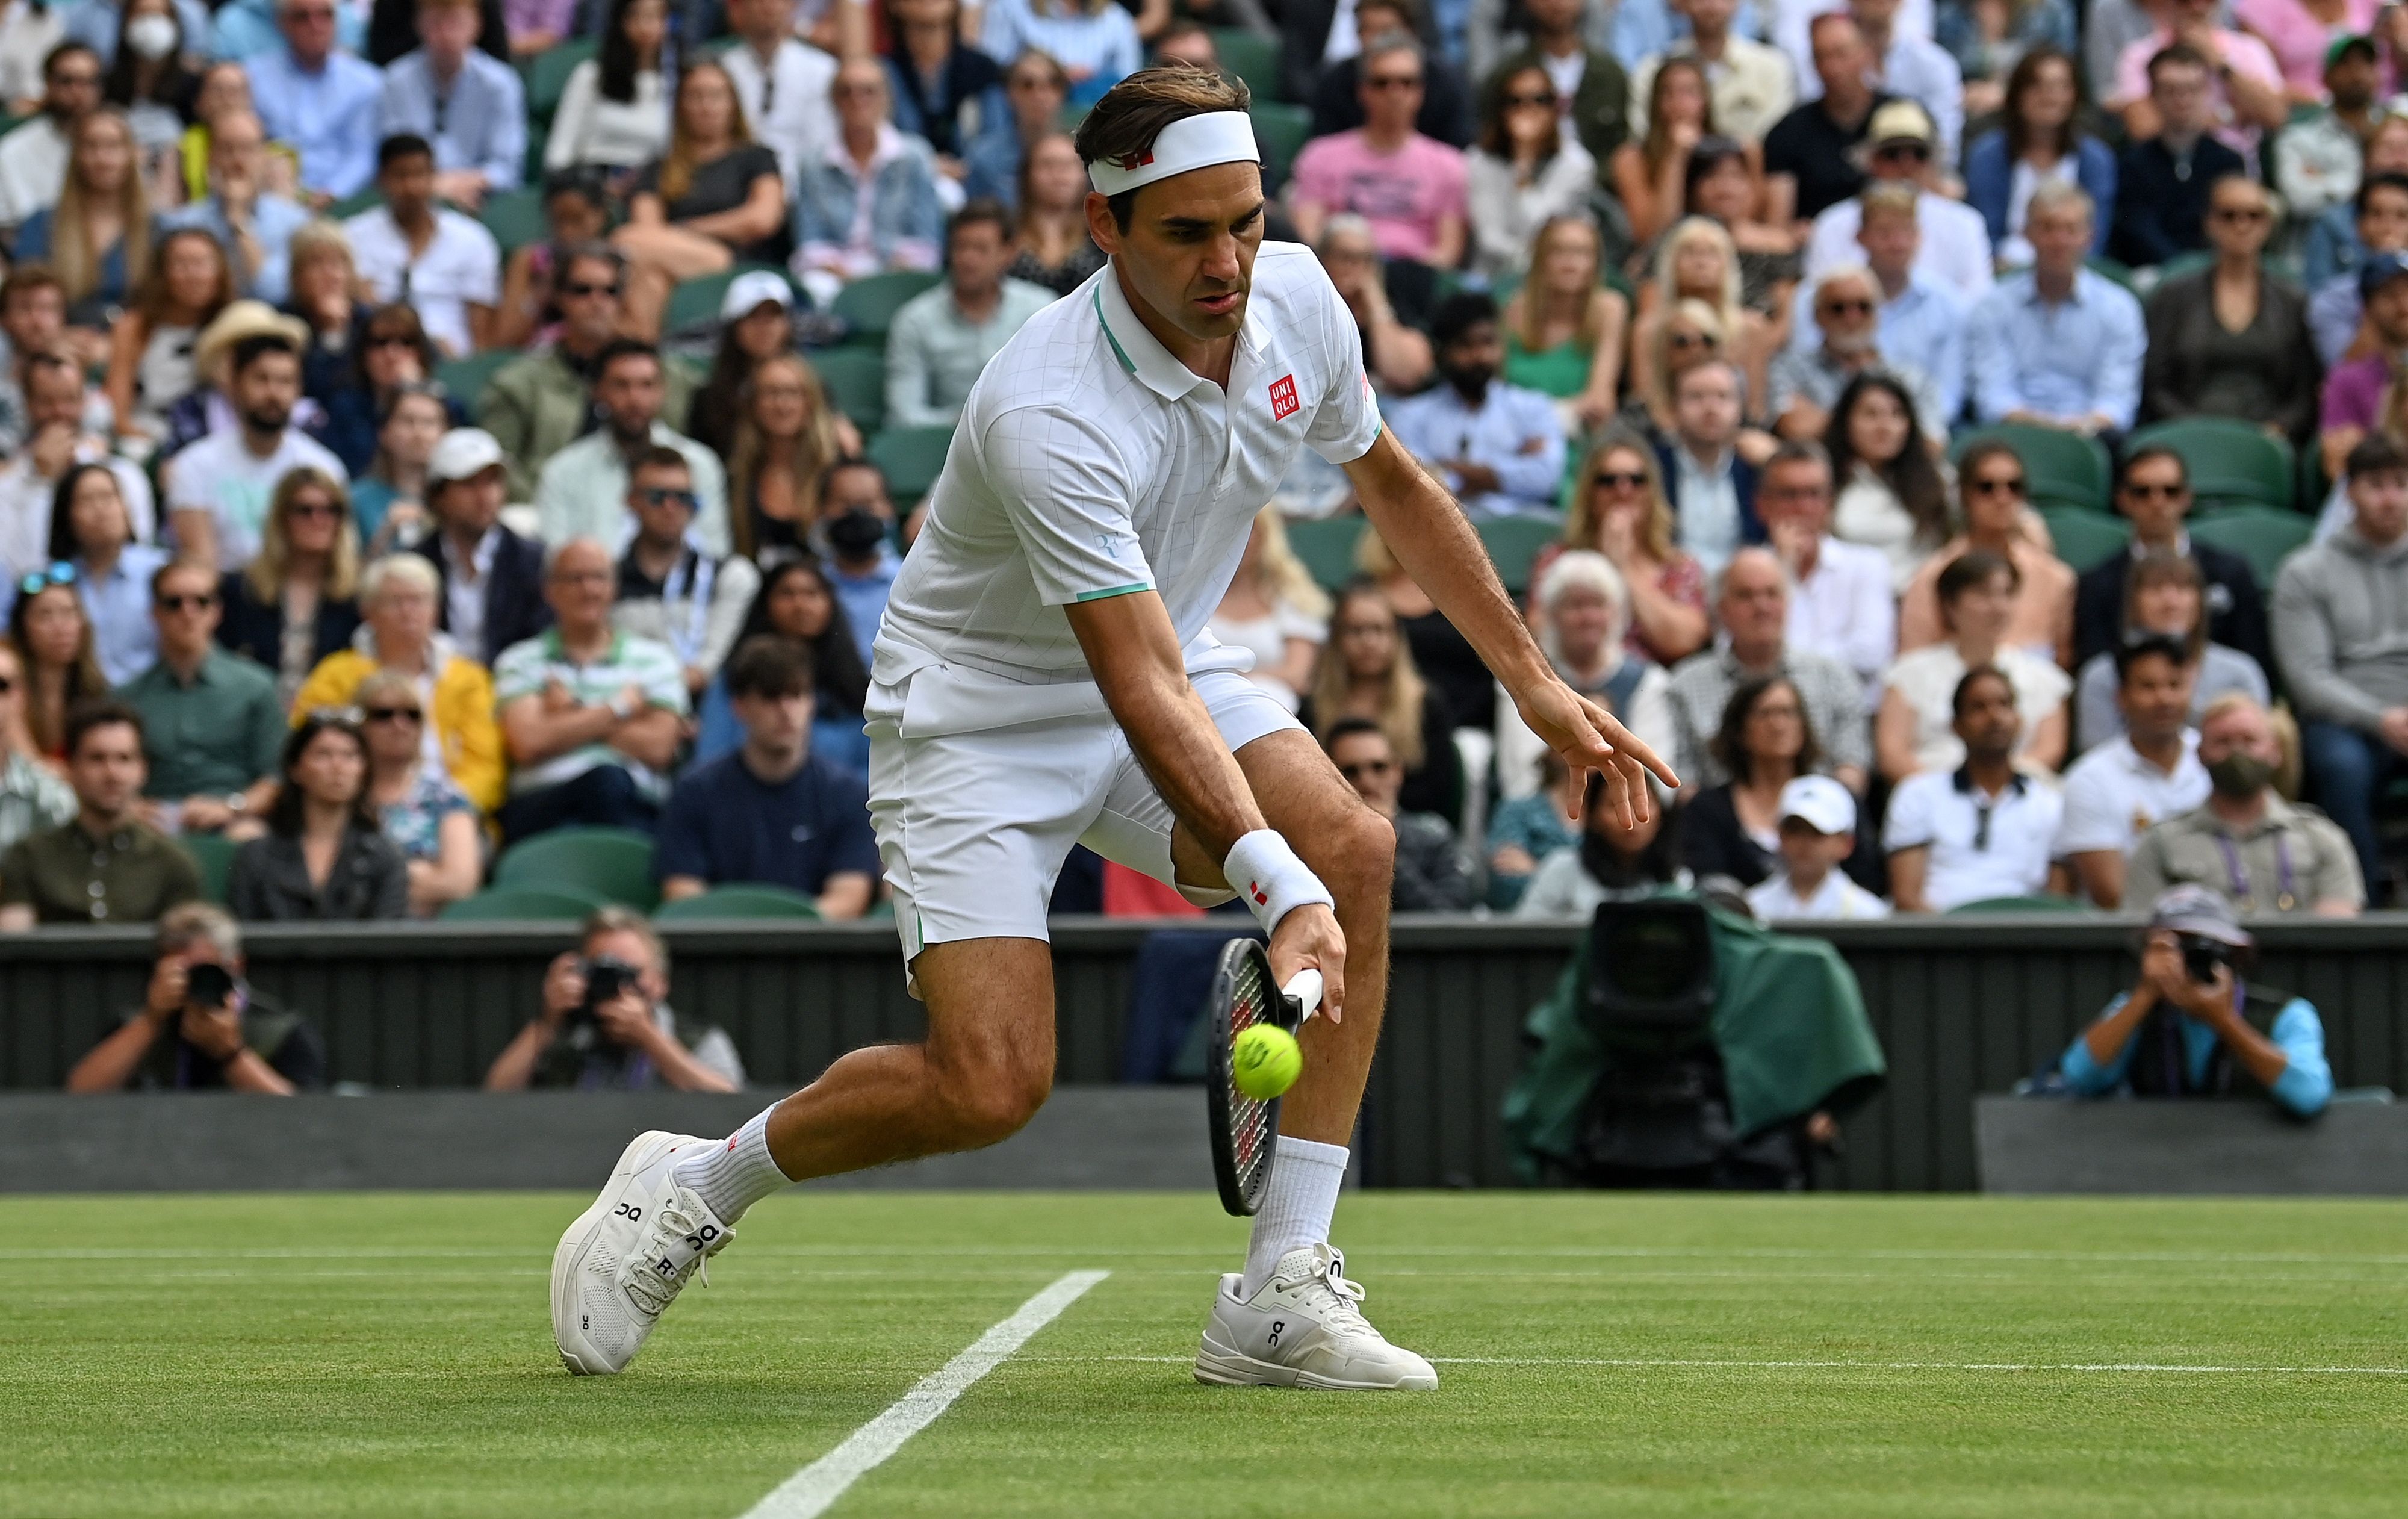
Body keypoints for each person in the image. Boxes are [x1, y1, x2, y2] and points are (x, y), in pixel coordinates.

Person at [543, 64, 1677, 1387]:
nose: (1228, 261)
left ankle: (1276, 1292)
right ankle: (694, 1182)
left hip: (1171, 656)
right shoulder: (1047, 407)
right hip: (977, 715)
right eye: (1186, 232)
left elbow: (1393, 486)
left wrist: (1531, 682)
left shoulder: (1297, 297)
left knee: (1356, 850)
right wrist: (1268, 879)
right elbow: (1132, 681)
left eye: (1245, 220)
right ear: (1104, 227)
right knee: (986, 1085)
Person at [2274, 432, 2408, 898]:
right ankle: (2360, 905)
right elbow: (2308, 677)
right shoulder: (2306, 571)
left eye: (2400, 484)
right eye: (2376, 485)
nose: (2390, 499)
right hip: (2349, 720)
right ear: (2349, 491)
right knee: (2340, 765)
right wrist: (2383, 718)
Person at [2059, 886, 2332, 1116]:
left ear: (2234, 955)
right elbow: (2079, 1078)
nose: (2193, 959)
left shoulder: (2287, 1014)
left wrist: (2224, 1021)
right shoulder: (2135, 1009)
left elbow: (2309, 1095)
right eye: (2179, 947)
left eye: (2205, 946)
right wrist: (2145, 994)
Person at [653, 635, 877, 915]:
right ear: (740, 707)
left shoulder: (847, 794)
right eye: (770, 697)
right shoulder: (695, 791)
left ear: (812, 703)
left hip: (816, 953)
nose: (786, 711)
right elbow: (683, 896)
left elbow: (849, 897)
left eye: (796, 695)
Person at [492, 536, 687, 843]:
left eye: (599, 577)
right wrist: (619, 709)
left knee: (611, 783)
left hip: (636, 803)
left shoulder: (656, 660)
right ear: (550, 591)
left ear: (615, 587)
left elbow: (658, 748)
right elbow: (529, 743)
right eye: (574, 579)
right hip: (543, 806)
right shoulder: (519, 660)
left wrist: (572, 712)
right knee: (606, 780)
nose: (589, 589)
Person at [288, 549, 503, 813]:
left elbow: (486, 766)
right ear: (368, 611)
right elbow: (307, 751)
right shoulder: (335, 676)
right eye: (395, 601)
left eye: (419, 600)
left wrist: (445, 811)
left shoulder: (469, 679)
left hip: (452, 815)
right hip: (356, 813)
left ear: (435, 610)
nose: (408, 612)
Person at [480, 244, 689, 499]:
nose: (597, 302)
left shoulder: (669, 378)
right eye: (582, 291)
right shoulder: (518, 384)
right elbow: (497, 465)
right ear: (559, 297)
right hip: (542, 512)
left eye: (610, 291)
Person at [2127, 692, 2363, 914]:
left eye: (2249, 740)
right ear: (2200, 754)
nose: (2237, 752)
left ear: (2275, 752)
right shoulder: (2161, 844)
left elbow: (2336, 933)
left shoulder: (2322, 840)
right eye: (2223, 742)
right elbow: (2146, 934)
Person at [1666, 546, 1869, 791]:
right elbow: (1681, 782)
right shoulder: (1685, 685)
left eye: (1772, 594)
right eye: (1746, 595)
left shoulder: (1834, 677)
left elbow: (1852, 766)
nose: (1762, 607)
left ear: (1788, 603)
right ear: (1721, 610)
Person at [61, 901, 323, 1090]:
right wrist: (151, 1021)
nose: (193, 983)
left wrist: (231, 1054)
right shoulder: (138, 1027)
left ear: (236, 966)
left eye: (204, 971)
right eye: (180, 972)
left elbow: (301, 1117)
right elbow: (81, 1093)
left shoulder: (279, 1030)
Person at [2139, 175, 2319, 448]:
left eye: (2254, 216)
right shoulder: (2173, 296)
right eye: (2229, 215)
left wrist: (2279, 428)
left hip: (2268, 440)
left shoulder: (2293, 301)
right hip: (2185, 437)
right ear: (2210, 223)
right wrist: (2189, 428)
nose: (2242, 225)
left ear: (2268, 225)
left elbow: (2304, 389)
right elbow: (2156, 384)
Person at [485, 905, 745, 1092]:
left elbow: (730, 1105)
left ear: (660, 982)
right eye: (603, 971)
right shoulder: (565, 1040)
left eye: (630, 972)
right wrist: (548, 1024)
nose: (619, 986)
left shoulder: (697, 1038)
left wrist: (650, 1038)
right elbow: (495, 1097)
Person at [615, 61, 789, 333]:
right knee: (648, 278)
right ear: (681, 107)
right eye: (696, 96)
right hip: (671, 264)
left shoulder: (757, 157)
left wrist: (687, 229)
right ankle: (647, 362)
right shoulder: (657, 168)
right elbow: (645, 229)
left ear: (733, 104)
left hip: (731, 262)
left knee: (623, 241)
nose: (706, 106)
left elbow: (762, 219)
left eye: (716, 96)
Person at [160, 320, 347, 570]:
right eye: (262, 379)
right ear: (235, 385)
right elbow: (200, 564)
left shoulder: (324, 468)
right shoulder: (194, 465)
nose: (274, 393)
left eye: (285, 382)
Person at [115, 558, 284, 832]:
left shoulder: (256, 687)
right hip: (152, 824)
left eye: (201, 602)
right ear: (155, 613)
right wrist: (129, 806)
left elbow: (276, 778)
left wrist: (231, 806)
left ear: (217, 611)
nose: (188, 612)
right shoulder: (127, 698)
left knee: (249, 836)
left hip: (234, 820)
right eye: (174, 603)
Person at [1495, 550, 1678, 803]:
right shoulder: (1522, 680)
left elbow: (1658, 779)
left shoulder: (1648, 681)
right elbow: (1520, 778)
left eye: (1598, 605)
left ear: (1617, 613)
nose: (1588, 617)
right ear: (1552, 614)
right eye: (1575, 605)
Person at [0, 697, 199, 926]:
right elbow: (14, 947)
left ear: (143, 770)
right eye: (97, 759)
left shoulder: (172, 863)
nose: (112, 774)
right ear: (71, 767)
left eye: (124, 759)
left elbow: (185, 950)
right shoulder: (30, 856)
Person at [2071, 444, 2271, 673]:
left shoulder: (2231, 572)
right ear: (2123, 500)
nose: (2158, 503)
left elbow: (2256, 661)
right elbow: (2095, 668)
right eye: (2143, 492)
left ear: (2186, 498)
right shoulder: (2097, 584)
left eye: (2170, 491)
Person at [1969, 183, 2145, 436]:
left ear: (2090, 237)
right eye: (2048, 228)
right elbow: (1993, 395)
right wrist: (2042, 428)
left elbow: (2117, 401)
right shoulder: (1993, 306)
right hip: (2011, 435)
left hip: (2094, 435)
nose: (2059, 241)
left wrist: (2078, 428)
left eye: (2071, 229)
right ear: (2027, 234)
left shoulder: (2119, 308)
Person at [1884, 664, 2065, 910]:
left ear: (2020, 721)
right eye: (1978, 707)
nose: (1995, 717)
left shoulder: (2050, 803)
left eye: (2004, 704)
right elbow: (1907, 898)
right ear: (1956, 725)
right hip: (1939, 940)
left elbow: (2057, 904)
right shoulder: (1917, 795)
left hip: (2027, 940)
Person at [1878, 551, 2070, 780]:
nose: (1998, 607)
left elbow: (2049, 750)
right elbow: (1893, 754)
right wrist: (1943, 793)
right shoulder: (1908, 674)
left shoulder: (2043, 676)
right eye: (1983, 594)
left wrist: (1997, 788)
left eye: (2007, 594)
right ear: (1950, 605)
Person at [1286, 35, 1468, 275]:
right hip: (1337, 276)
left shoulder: (1449, 165)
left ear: (1421, 91)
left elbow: (1447, 253)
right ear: (1362, 90)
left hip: (1412, 281)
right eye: (1382, 82)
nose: (1395, 93)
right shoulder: (1320, 156)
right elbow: (1307, 237)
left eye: (1407, 82)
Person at [2053, 633, 2211, 908]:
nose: (2164, 698)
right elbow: (2114, 896)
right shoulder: (2090, 779)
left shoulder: (2214, 758)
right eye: (2148, 687)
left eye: (2175, 685)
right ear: (2121, 698)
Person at [533, 340, 729, 558]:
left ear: (662, 391)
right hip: (592, 588)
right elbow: (556, 561)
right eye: (621, 385)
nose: (635, 399)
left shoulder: (699, 463)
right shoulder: (564, 471)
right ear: (597, 392)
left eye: (646, 385)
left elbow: (714, 552)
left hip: (684, 589)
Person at [1383, 291, 1565, 520]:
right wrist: (1513, 465)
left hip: (1521, 527)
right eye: (1466, 345)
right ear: (1443, 352)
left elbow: (1546, 477)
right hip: (1445, 530)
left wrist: (1451, 468)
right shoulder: (1410, 415)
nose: (1480, 356)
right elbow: (1419, 485)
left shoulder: (1533, 408)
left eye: (1488, 342)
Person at [2074, 550, 2271, 753]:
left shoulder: (2240, 673)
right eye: (2155, 589)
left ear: (2200, 601)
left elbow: (2259, 751)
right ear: (2133, 602)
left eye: (2183, 588)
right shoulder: (2102, 676)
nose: (2170, 602)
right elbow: (2096, 753)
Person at [1539, 436, 1710, 670]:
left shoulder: (1680, 566)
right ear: (1589, 492)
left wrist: (1623, 568)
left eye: (1637, 480)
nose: (1623, 490)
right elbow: (1540, 634)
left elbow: (1683, 641)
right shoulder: (1558, 559)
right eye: (1608, 481)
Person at [1303, 579, 1465, 824]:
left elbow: (1440, 792)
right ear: (1336, 640)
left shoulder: (1426, 704)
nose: (1368, 641)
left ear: (1396, 638)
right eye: (1355, 631)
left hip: (1409, 827)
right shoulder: (1312, 708)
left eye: (1379, 630)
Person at [1898, 438, 2071, 664]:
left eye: (2014, 487)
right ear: (1964, 495)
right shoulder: (1931, 577)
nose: (2002, 498)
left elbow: (2063, 668)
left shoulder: (2054, 578)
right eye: (1986, 487)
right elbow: (1913, 667)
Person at [1801, 99, 1991, 303]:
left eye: (1919, 153)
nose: (1906, 164)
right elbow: (1817, 305)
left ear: (1933, 161)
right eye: (1892, 154)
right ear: (1870, 160)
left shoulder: (1965, 225)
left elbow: (1977, 306)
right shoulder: (1833, 224)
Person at [885, 199, 1054, 430]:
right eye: (960, 247)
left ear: (1009, 253)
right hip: (943, 448)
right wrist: (967, 425)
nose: (968, 259)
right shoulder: (915, 321)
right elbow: (904, 414)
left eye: (981, 249)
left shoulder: (1040, 311)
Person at [692, 556, 869, 775]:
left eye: (812, 594)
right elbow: (710, 758)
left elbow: (875, 769)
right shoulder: (735, 678)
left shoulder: (856, 685)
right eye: (787, 594)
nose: (801, 606)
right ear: (765, 604)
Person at [225, 709, 408, 919]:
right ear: (295, 769)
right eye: (323, 755)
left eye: (351, 756)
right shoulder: (257, 856)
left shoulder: (384, 858)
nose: (338, 767)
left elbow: (388, 941)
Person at [790, 58, 945, 305]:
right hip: (837, 274)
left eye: (868, 91)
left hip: (898, 269)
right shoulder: (813, 163)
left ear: (886, 97)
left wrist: (887, 274)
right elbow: (810, 242)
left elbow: (926, 240)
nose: (857, 100)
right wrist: (843, 274)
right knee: (814, 287)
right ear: (834, 100)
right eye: (846, 92)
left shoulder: (914, 156)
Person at [610, 446, 762, 697]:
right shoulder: (604, 579)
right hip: (621, 710)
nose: (671, 507)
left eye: (683, 497)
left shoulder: (729, 577)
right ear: (631, 501)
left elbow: (704, 672)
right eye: (658, 496)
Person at [1754, 438, 1892, 698]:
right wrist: (1783, 570)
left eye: (1814, 494)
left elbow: (1869, 655)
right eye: (1789, 495)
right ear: (1762, 505)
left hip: (1852, 712)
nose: (1803, 508)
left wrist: (1787, 658)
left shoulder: (1868, 565)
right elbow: (1743, 653)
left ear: (1830, 503)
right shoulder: (1743, 571)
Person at [211, 465, 360, 707]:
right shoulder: (241, 591)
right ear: (281, 518)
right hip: (255, 717)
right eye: (305, 510)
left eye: (331, 510)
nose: (319, 520)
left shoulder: (357, 597)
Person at [4, 350, 157, 584]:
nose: (59, 412)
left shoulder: (123, 474)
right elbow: (23, 570)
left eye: (70, 400)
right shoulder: (9, 483)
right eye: (46, 401)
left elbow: (138, 553)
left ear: (85, 401)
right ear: (27, 403)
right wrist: (41, 481)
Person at [341, 135, 498, 359]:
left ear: (434, 177)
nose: (412, 187)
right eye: (401, 176)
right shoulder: (353, 236)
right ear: (381, 180)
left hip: (452, 361)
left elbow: (482, 337)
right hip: (383, 355)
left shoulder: (473, 240)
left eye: (420, 175)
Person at [1961, 46, 2114, 266]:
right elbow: (1984, 232)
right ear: (2018, 94)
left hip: (2074, 267)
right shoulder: (1987, 156)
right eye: (2038, 86)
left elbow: (2096, 237)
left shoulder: (2095, 159)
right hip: (2002, 268)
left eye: (2061, 87)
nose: (2050, 96)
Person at [409, 428, 545, 667]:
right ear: (439, 496)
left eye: (493, 482)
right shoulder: (415, 563)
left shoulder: (534, 563)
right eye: (470, 484)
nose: (485, 496)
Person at [1770, 264, 1943, 443]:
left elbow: (1932, 442)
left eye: (1863, 307)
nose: (1852, 318)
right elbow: (1794, 426)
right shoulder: (1789, 369)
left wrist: (1828, 424)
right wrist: (1886, 435)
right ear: (1817, 315)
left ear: (1879, 314)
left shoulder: (1909, 378)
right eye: (1838, 308)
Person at [374, 0, 521, 210]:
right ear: (419, 24)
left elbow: (507, 168)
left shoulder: (501, 84)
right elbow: (392, 158)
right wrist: (434, 187)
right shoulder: (395, 81)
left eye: (456, 22)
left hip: (479, 200)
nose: (446, 34)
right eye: (436, 23)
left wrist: (454, 185)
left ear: (477, 25)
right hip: (410, 199)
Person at [2110, 45, 2247, 269]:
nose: (2183, 100)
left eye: (2193, 89)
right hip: (2151, 273)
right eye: (2171, 90)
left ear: (2207, 93)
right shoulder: (2132, 164)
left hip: (2215, 271)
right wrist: (2180, 270)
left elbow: (2230, 225)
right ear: (2153, 96)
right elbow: (2137, 229)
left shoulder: (2229, 162)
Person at [1681, 672, 1823, 887]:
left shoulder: (1832, 799)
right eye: (1765, 714)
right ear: (1740, 730)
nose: (1778, 726)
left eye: (1788, 713)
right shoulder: (1707, 809)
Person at [354, 666, 477, 915]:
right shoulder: (339, 796)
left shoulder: (446, 797)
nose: (400, 725)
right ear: (360, 724)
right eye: (384, 715)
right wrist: (415, 872)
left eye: (412, 715)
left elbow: (460, 884)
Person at [158, 109, 308, 309]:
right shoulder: (182, 224)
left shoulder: (295, 222)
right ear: (210, 157)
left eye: (247, 149)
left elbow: (275, 293)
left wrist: (239, 222)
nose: (237, 161)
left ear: (264, 157)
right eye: (227, 149)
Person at [2109, 0, 2287, 164]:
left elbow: (2276, 117)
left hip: (2235, 170)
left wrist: (2220, 64)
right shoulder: (2139, 55)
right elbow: (2144, 130)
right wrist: (2228, 115)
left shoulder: (2249, 49)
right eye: (2185, 1)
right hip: (2166, 168)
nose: (2198, 7)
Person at [1326, 715, 1471, 910]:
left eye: (1379, 768)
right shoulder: (1312, 844)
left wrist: (1384, 847)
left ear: (1397, 772)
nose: (1367, 782)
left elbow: (1448, 918)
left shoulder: (1434, 837)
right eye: (1350, 772)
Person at [1500, 217, 1628, 438]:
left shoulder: (1609, 309)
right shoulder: (1511, 309)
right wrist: (1569, 411)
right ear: (1540, 260)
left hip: (1577, 444)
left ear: (1596, 263)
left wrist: (1529, 417)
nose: (1570, 262)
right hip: (1511, 442)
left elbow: (1600, 405)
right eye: (1559, 251)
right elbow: (1494, 403)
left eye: (1582, 253)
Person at [245, 0, 383, 203]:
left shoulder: (366, 82)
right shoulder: (252, 78)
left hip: (344, 202)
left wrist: (332, 193)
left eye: (326, 15)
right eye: (303, 17)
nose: (316, 26)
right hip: (270, 196)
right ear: (282, 23)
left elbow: (363, 154)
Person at [18, 106, 149, 320]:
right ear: (76, 156)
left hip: (134, 345)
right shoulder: (42, 225)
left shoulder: (156, 229)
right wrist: (56, 340)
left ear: (131, 155)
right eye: (91, 146)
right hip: (58, 345)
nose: (102, 158)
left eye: (113, 146)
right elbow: (24, 300)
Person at [1465, 67, 1594, 282]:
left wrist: (1525, 160)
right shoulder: (1479, 161)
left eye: (1540, 100)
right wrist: (1522, 157)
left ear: (1556, 108)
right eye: (1516, 101)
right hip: (1493, 279)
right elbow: (1490, 240)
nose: (1528, 110)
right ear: (1501, 110)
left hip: (1554, 280)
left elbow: (1539, 229)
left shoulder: (1577, 165)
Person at [43, 462, 163, 686]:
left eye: (108, 497)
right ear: (67, 515)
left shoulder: (159, 571)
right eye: (87, 500)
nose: (101, 510)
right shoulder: (54, 581)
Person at [1763, 13, 1891, 223]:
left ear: (1866, 53)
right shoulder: (1790, 132)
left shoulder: (1902, 117)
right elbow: (1778, 223)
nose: (1832, 68)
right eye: (1821, 56)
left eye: (1841, 54)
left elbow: (1931, 196)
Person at [1516, 771, 1690, 915]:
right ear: (1593, 817)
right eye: (1615, 805)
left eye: (1642, 804)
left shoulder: (1677, 879)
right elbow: (1526, 934)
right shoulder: (1561, 868)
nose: (1630, 817)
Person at [1310, 0, 1475, 151]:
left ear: (1411, 32)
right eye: (1369, 29)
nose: (1377, 39)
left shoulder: (1447, 83)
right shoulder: (1334, 82)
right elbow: (1324, 150)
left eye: (1387, 30)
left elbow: (1459, 150)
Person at [1209, 507, 1328, 714]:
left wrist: (1236, 681)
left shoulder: (1294, 599)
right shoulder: (1194, 597)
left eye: (1249, 529)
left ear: (1267, 535)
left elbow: (1297, 675)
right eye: (1230, 528)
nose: (1240, 538)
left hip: (1273, 710)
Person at [1629, 0, 1795, 147]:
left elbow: (1778, 141)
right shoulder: (1651, 71)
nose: (1711, 6)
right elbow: (1644, 138)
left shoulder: (1772, 68)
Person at [1654, 359, 1760, 575]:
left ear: (1741, 408)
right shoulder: (1653, 467)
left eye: (1723, 397)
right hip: (1671, 583)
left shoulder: (1755, 468)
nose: (1711, 408)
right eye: (1696, 397)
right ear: (1673, 408)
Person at [489, 170, 612, 353]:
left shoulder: (617, 262)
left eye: (578, 220)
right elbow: (505, 340)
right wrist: (541, 293)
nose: (568, 233)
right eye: (559, 221)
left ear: (600, 215)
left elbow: (636, 336)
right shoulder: (529, 260)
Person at [541, 0, 666, 177]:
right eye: (636, 15)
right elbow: (560, 150)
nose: (646, 26)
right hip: (591, 182)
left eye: (656, 16)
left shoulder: (677, 82)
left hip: (649, 186)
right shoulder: (590, 75)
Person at [2273, 33, 2380, 231]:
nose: (2357, 72)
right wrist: (2362, 189)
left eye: (2366, 63)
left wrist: (2325, 181)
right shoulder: (2299, 137)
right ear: (2326, 77)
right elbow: (2299, 199)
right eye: (2345, 64)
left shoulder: (2394, 131)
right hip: (2318, 244)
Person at [881, 0, 998, 182]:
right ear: (894, 5)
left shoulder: (984, 70)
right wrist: (926, 165)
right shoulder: (882, 73)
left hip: (974, 186)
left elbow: (997, 138)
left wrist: (964, 167)